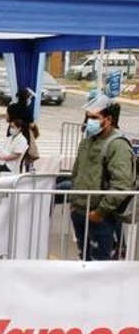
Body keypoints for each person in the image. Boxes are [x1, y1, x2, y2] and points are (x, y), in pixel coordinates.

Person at [70, 95, 134, 261]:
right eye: (87, 117)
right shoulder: (87, 142)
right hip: (80, 212)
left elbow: (121, 185)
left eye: (94, 118)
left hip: (101, 217)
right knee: (84, 262)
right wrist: (74, 203)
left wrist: (100, 212)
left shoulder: (117, 145)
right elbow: (76, 173)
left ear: (108, 119)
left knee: (101, 267)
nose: (88, 121)